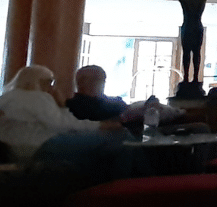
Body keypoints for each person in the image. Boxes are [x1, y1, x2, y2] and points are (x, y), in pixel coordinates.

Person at [0, 65, 130, 178]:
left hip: (20, 148)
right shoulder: (37, 97)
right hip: (41, 145)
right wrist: (101, 125)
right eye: (49, 82)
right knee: (118, 138)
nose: (52, 86)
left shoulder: (7, 97)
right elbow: (61, 124)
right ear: (37, 81)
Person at [172, 0, 208, 83]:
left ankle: (186, 78)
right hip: (197, 27)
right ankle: (195, 78)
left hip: (187, 27)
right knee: (196, 54)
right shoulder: (201, 1)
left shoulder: (185, 1)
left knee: (186, 54)